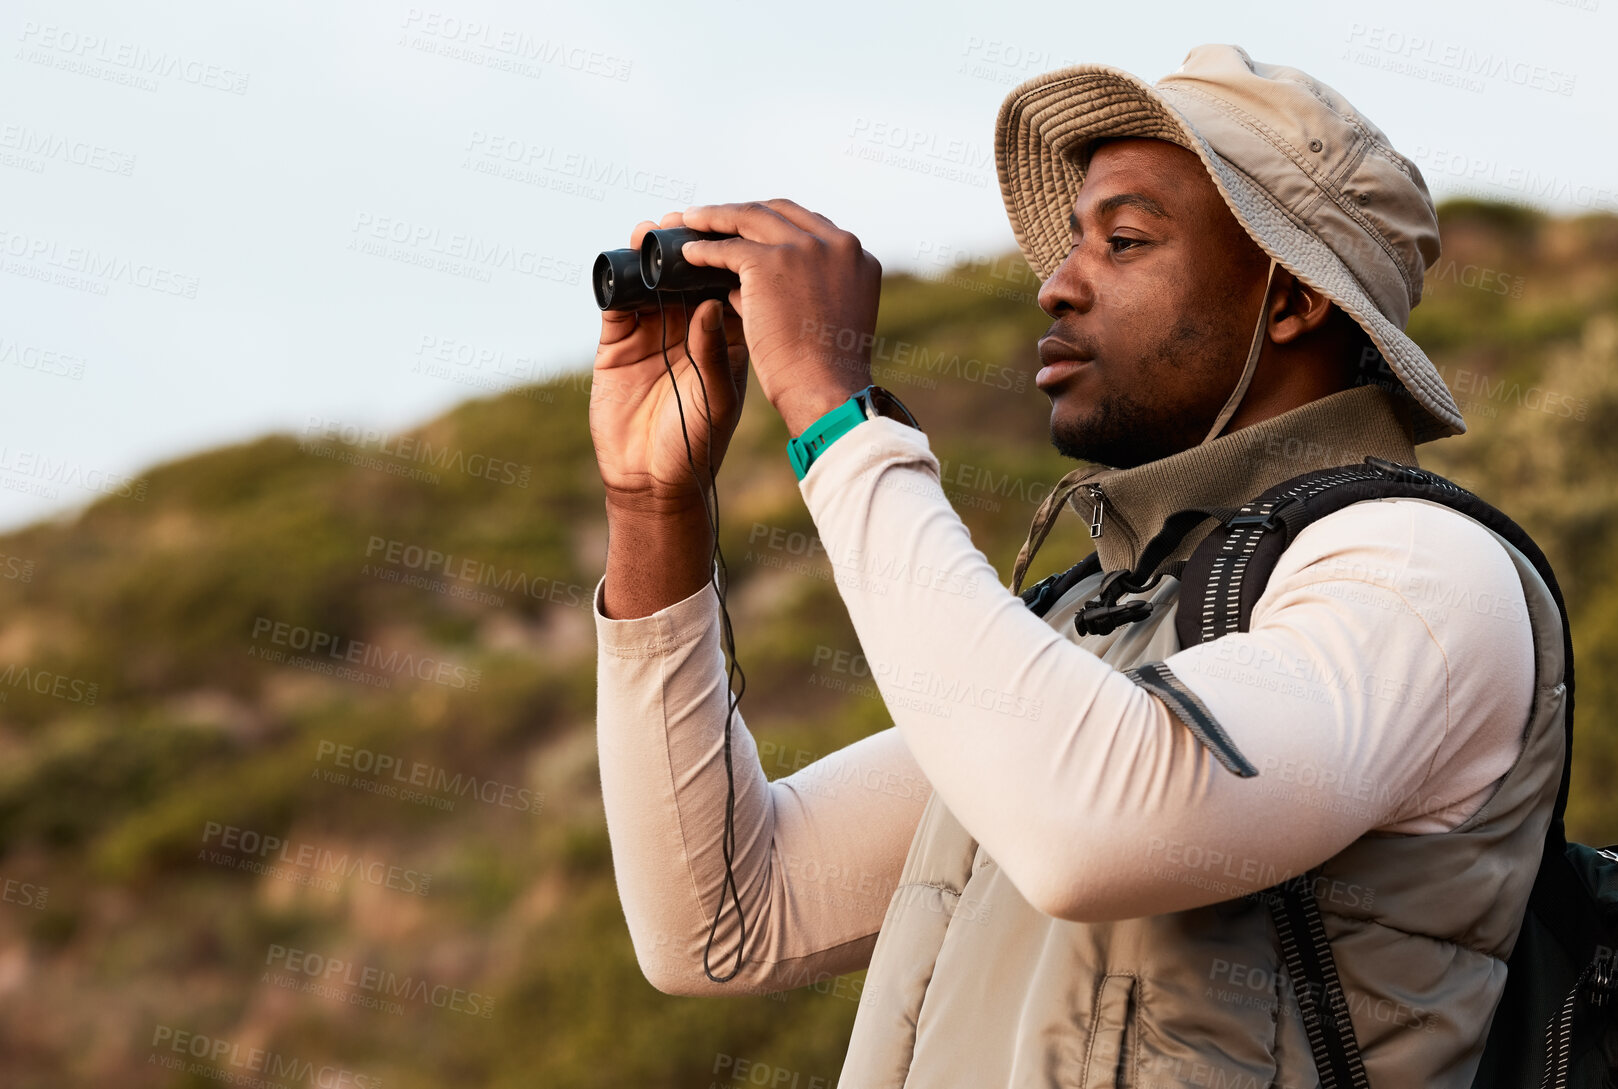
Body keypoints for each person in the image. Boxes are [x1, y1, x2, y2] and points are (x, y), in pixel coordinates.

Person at [590, 43, 1564, 1089]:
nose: (1055, 287)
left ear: (1290, 303)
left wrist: (837, 418)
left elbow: (1085, 832)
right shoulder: (1102, 630)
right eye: (1069, 242)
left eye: (1126, 241)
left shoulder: (1420, 571)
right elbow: (725, 920)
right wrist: (654, 506)